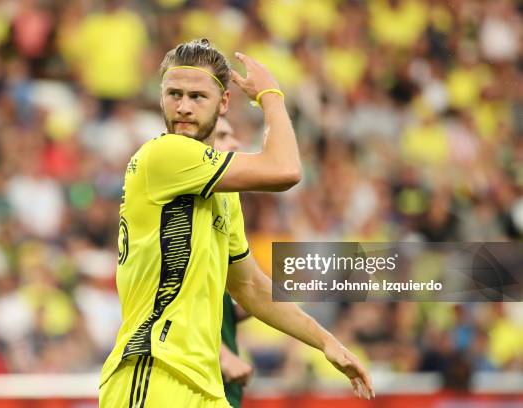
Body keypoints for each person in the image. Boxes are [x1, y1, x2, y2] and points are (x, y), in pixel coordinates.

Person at [99, 38, 374, 408]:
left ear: (224, 103)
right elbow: (286, 171)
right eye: (173, 94)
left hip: (205, 387)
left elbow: (251, 286)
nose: (182, 107)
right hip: (153, 374)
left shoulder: (222, 194)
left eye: (197, 97)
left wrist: (327, 342)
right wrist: (271, 96)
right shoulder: (164, 155)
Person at [213, 116, 253, 408]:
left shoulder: (225, 206)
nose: (236, 143)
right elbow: (159, 302)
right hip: (191, 385)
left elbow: (215, 300)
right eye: (224, 135)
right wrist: (221, 354)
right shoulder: (179, 209)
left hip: (221, 386)